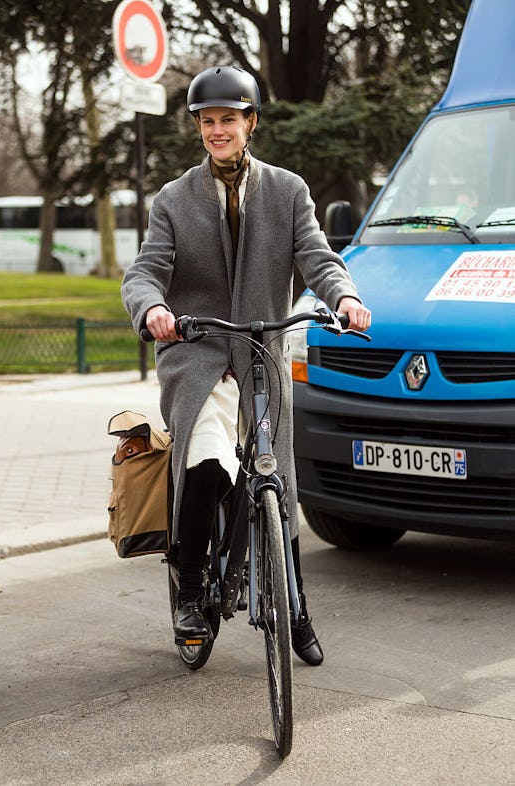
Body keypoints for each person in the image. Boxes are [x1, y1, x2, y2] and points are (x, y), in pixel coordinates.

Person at [121, 65, 371, 667]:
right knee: (204, 458)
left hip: (261, 355)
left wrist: (344, 296)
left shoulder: (287, 190)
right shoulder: (174, 199)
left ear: (250, 123)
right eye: (207, 122)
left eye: (228, 119)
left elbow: (317, 254)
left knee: (275, 482)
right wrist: (153, 307)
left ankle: (296, 607)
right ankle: (188, 587)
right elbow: (146, 269)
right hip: (200, 353)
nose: (217, 130)